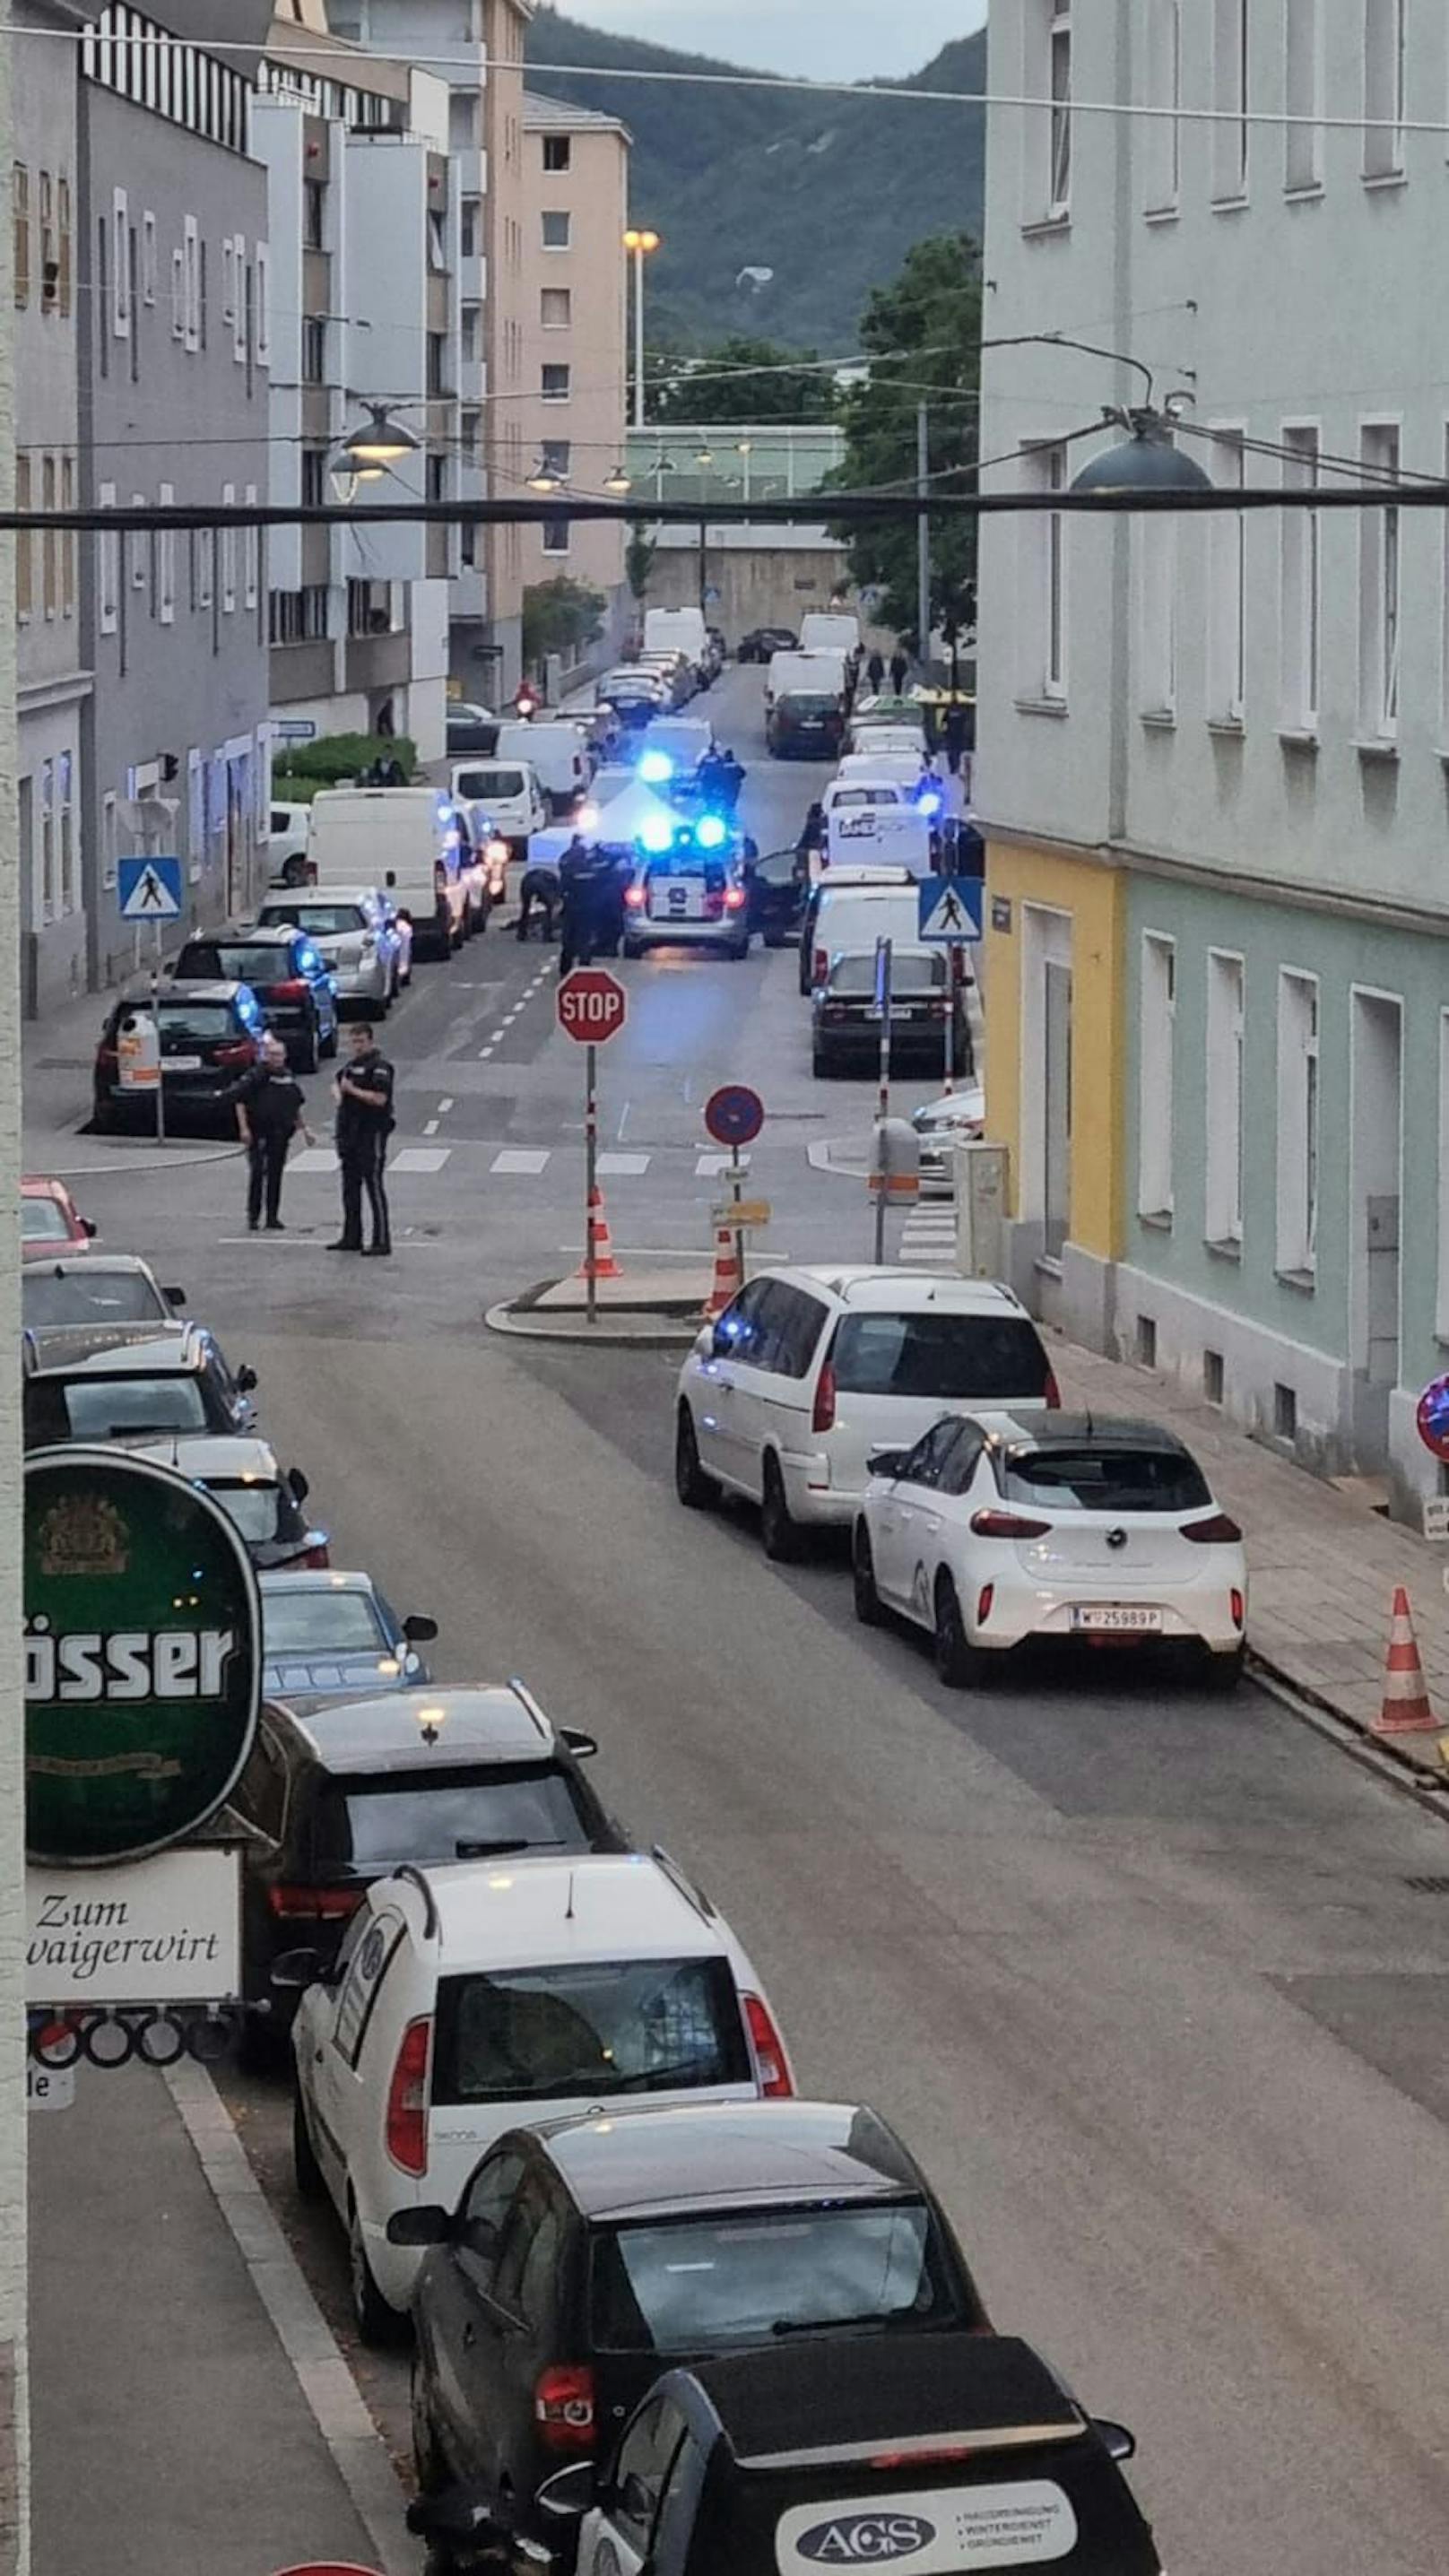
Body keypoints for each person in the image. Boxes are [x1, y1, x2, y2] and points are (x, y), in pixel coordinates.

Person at [228, 1035, 314, 1233]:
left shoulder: (288, 1077)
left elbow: (294, 1105)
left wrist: (304, 1130)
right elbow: (240, 1099)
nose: (275, 1058)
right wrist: (244, 1129)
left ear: (285, 1056)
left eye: (279, 1055)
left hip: (281, 1133)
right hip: (258, 1131)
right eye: (272, 1054)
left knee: (276, 1174)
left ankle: (273, 1217)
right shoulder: (256, 1075)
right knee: (258, 1173)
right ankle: (253, 1216)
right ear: (265, 1056)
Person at [328, 1022, 395, 1257]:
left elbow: (380, 1099)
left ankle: (381, 1240)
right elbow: (337, 1084)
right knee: (350, 1187)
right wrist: (339, 1093)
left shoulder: (380, 1067)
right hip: (349, 1134)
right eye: (353, 1041)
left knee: (373, 1185)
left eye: (360, 1041)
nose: (356, 1046)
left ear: (370, 1041)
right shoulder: (349, 1067)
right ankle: (352, 1235)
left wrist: (353, 1091)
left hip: (371, 1133)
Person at [558, 833, 599, 975]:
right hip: (586, 909)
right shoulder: (589, 867)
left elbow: (562, 886)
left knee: (569, 941)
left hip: (571, 908)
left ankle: (566, 970)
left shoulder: (566, 861)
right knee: (584, 939)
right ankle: (584, 969)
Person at [516, 863, 560, 941]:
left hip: (528, 879)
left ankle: (521, 933)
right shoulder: (555, 883)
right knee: (549, 910)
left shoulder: (554, 878)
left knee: (525, 907)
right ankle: (547, 935)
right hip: (544, 882)